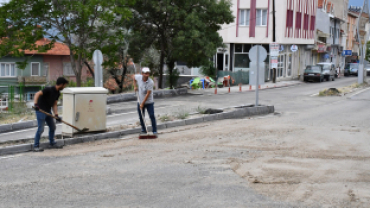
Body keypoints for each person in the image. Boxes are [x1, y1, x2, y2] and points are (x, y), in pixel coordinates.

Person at [33, 77, 69, 152]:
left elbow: (54, 104)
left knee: (52, 127)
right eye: (64, 85)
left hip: (48, 112)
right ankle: (36, 146)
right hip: (40, 111)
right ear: (61, 84)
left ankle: (52, 143)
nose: (64, 87)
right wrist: (36, 104)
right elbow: (37, 94)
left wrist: (56, 115)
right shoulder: (48, 89)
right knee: (41, 129)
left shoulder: (57, 93)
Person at [133, 67, 157, 136]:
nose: (147, 75)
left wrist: (142, 103)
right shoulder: (139, 77)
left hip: (149, 102)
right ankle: (143, 130)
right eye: (145, 73)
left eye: (148, 73)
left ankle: (154, 130)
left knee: (152, 115)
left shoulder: (150, 82)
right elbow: (133, 77)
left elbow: (148, 94)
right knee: (141, 116)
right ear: (142, 73)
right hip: (140, 101)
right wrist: (135, 86)